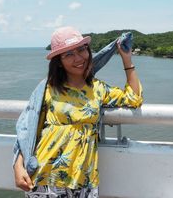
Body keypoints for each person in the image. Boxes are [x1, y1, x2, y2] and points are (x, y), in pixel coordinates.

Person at [13, 26, 143, 197]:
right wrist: (18, 166)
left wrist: (127, 59)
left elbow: (134, 98)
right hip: (46, 178)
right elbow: (28, 130)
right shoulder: (48, 89)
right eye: (69, 54)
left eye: (81, 50)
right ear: (59, 61)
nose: (78, 58)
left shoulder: (97, 88)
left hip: (84, 180)